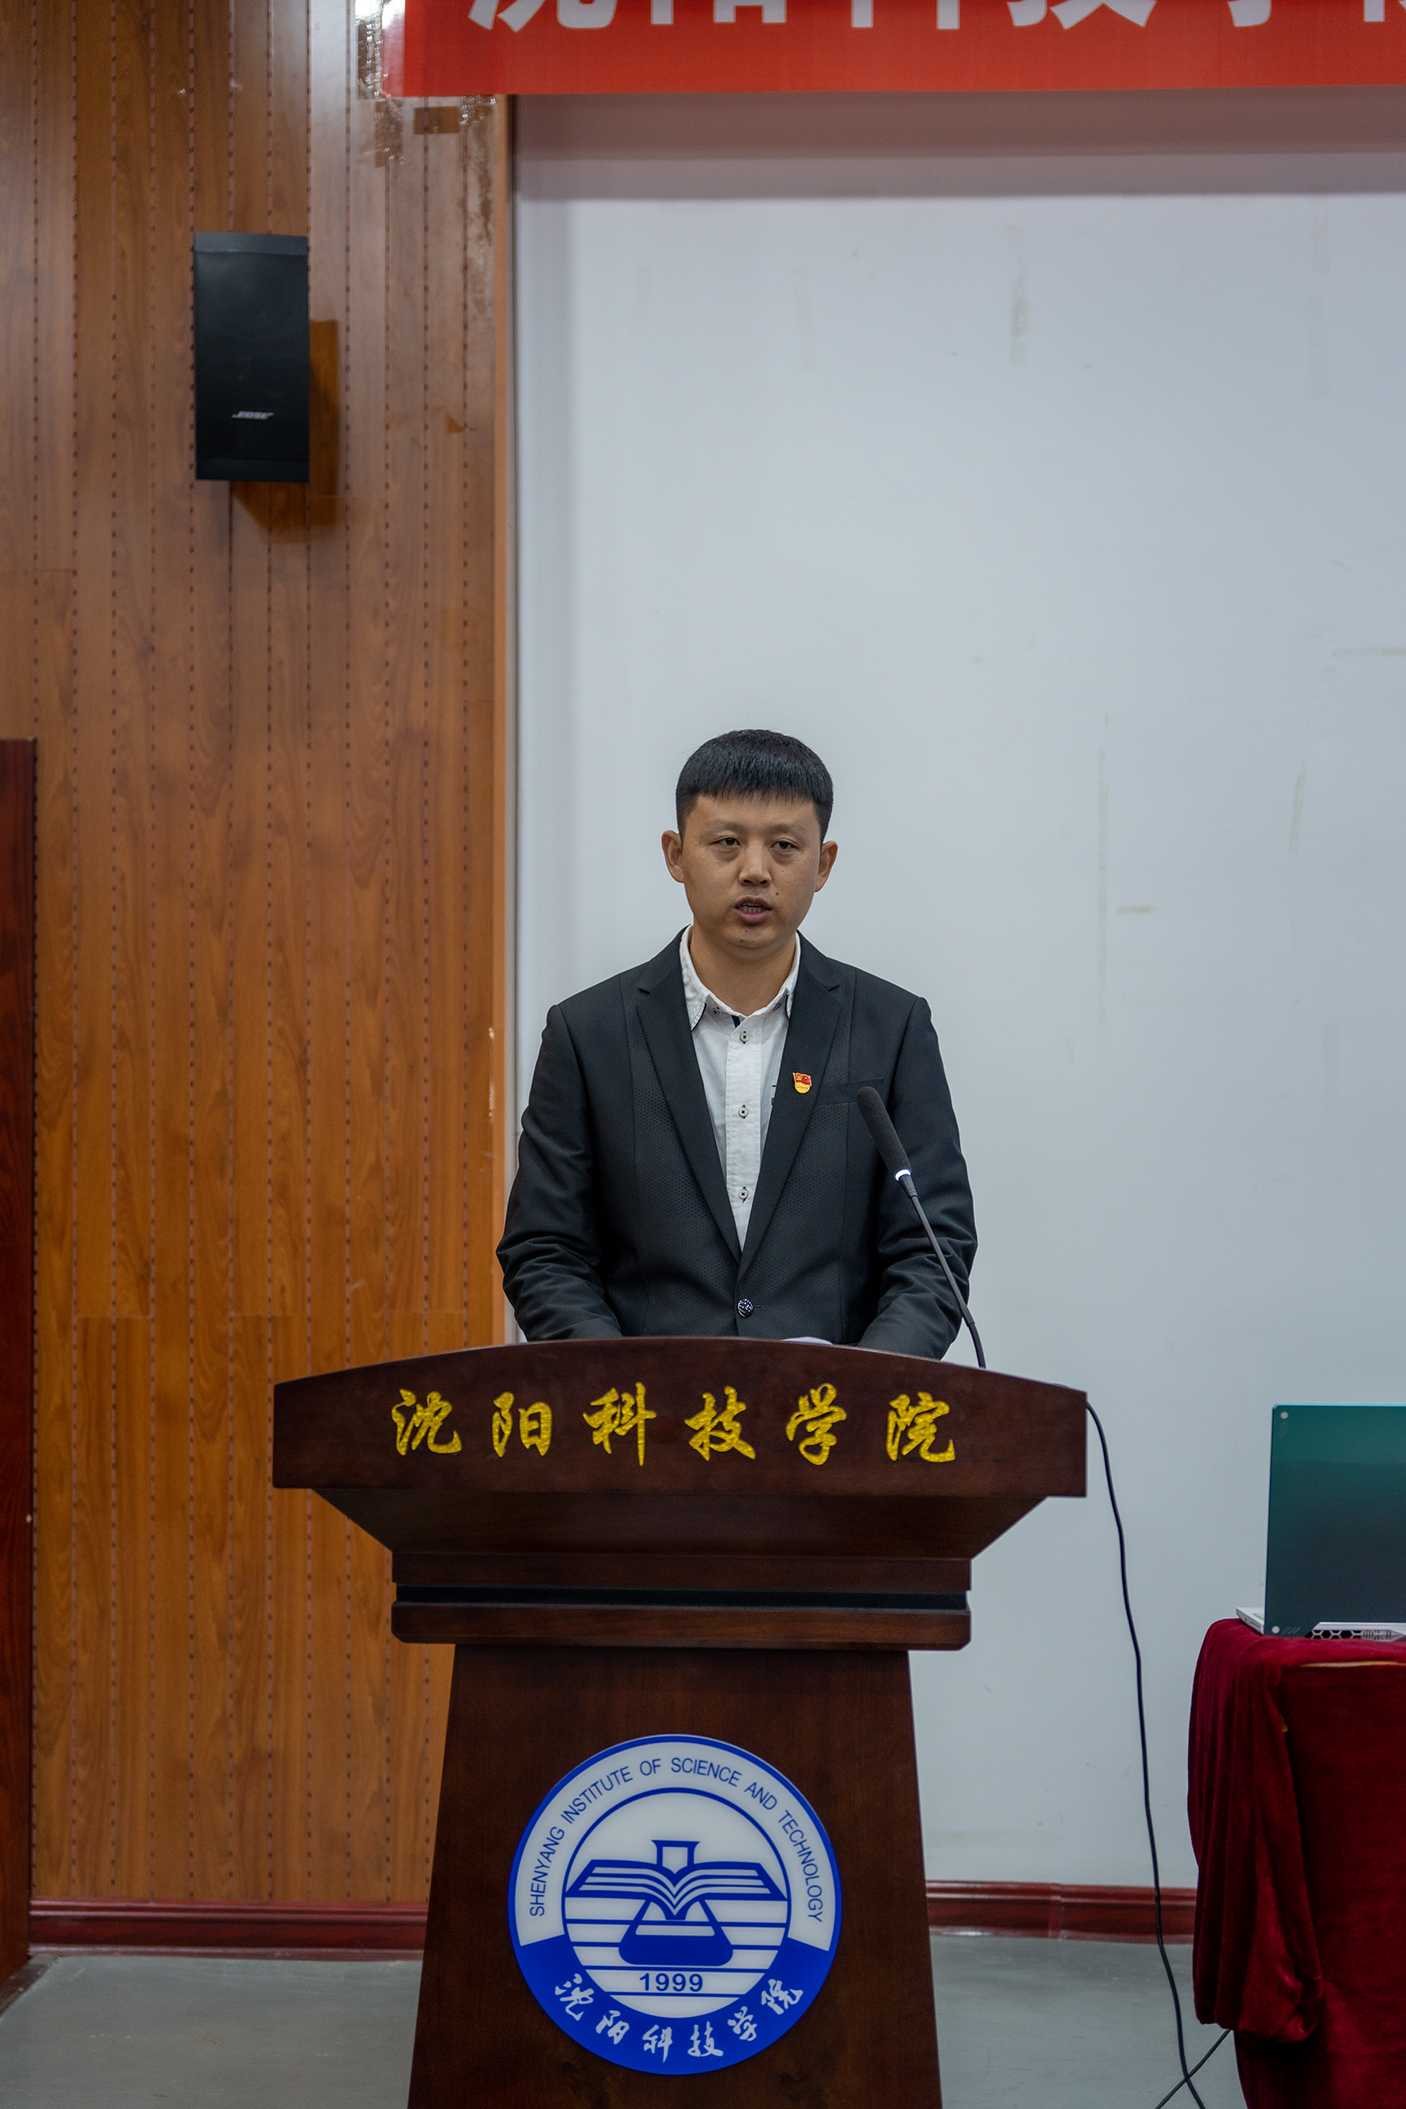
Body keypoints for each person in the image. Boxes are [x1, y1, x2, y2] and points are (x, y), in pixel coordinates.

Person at [497, 729, 975, 1358]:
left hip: (832, 1407)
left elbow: (932, 1249)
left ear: (823, 863)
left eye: (784, 846)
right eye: (726, 843)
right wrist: (624, 1381)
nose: (755, 870)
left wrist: (865, 1387)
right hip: (648, 1407)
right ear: (676, 855)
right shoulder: (589, 1035)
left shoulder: (891, 1029)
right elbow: (545, 1250)